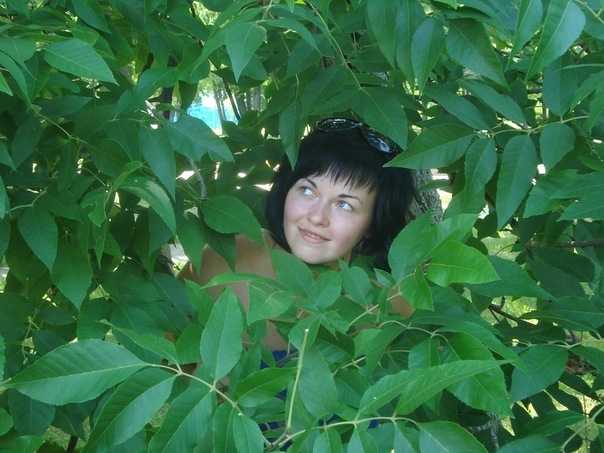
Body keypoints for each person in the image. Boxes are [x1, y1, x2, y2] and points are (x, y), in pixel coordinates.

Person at [177, 117, 416, 351]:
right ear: (286, 188)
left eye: (344, 205)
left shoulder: (389, 308)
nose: (317, 217)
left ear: (373, 224)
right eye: (307, 191)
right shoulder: (217, 265)